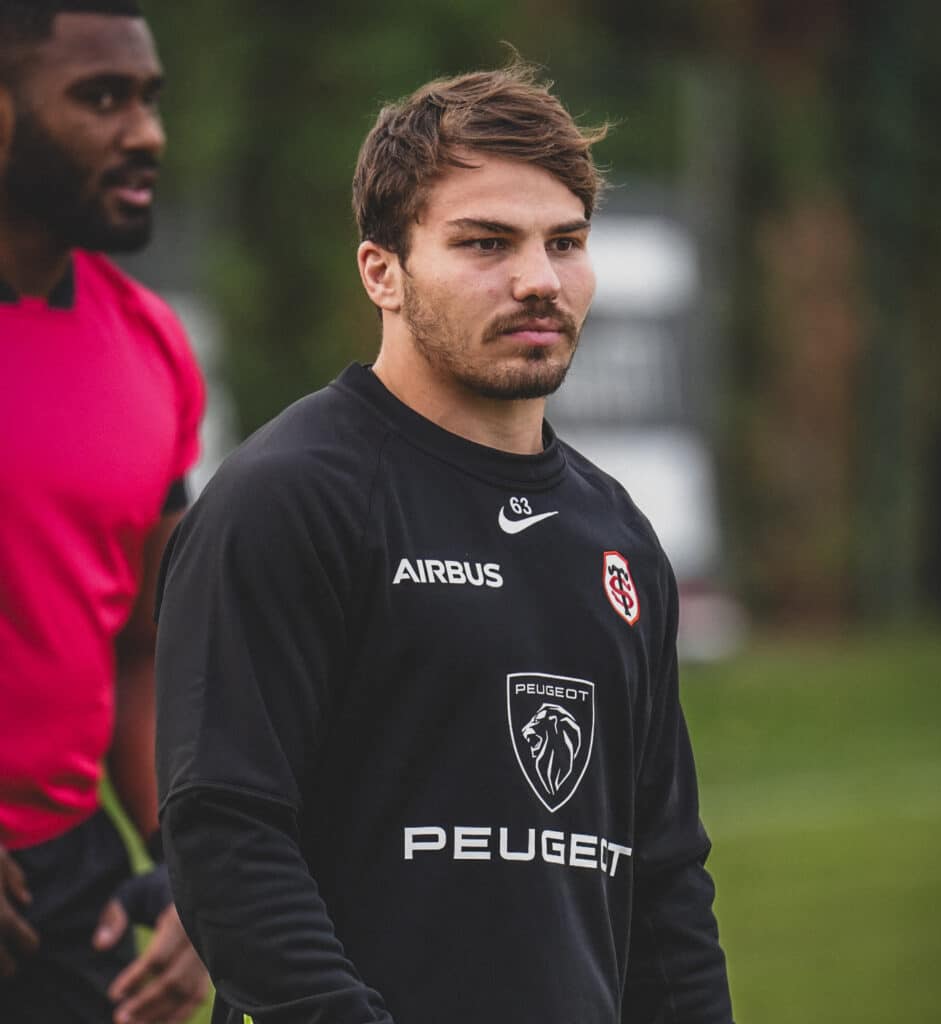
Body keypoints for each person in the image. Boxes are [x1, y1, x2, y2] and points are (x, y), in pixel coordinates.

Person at [156, 60, 734, 1024]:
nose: (539, 279)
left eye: (567, 241)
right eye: (484, 243)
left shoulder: (619, 537)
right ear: (382, 269)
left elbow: (665, 878)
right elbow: (225, 831)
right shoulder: (290, 498)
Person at [0, 1, 210, 1021]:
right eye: (101, 98)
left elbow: (145, 644)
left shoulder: (152, 348)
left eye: (149, 98)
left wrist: (192, 867)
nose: (146, 133)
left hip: (67, 885)